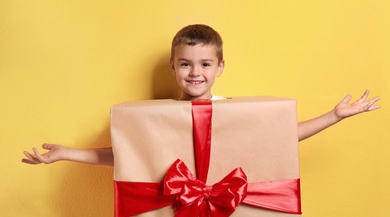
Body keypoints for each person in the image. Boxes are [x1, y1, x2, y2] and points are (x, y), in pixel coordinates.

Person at [22, 24, 380, 166]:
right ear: (173, 68)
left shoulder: (234, 113)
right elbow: (127, 158)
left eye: (206, 64)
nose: (196, 73)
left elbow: (281, 137)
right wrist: (66, 153)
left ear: (220, 67)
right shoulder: (159, 118)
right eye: (186, 64)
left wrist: (333, 116)